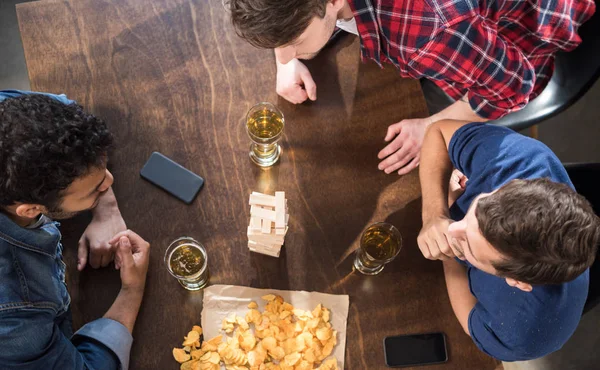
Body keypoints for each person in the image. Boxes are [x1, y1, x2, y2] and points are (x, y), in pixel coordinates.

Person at [227, 0, 595, 175]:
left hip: (531, 27)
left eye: (293, 37)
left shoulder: (429, 34)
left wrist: (433, 127)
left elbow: (513, 86)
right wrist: (285, 55)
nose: (287, 50)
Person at [417, 119, 600, 361]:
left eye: (469, 246)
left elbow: (470, 319)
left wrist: (448, 250)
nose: (454, 227)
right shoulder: (516, 159)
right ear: (511, 186)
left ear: (516, 282)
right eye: (477, 207)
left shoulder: (522, 335)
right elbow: (438, 133)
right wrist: (434, 214)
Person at [0, 92, 151, 369]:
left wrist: (106, 207)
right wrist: (133, 289)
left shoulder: (8, 117)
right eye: (95, 187)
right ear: (32, 209)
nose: (110, 180)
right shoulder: (16, 315)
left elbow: (67, 113)